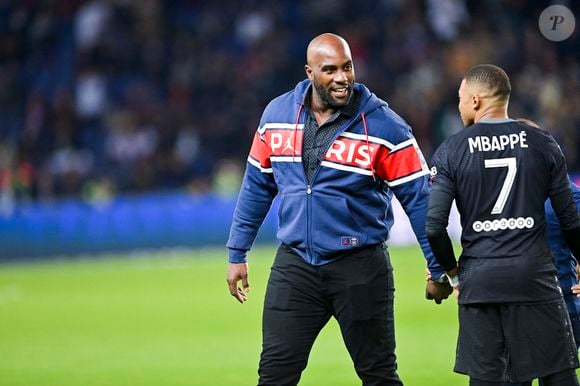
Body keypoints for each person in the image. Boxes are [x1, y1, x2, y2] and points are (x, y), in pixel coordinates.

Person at [226, 33, 451, 386]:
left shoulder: (385, 126)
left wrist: (438, 267)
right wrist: (237, 252)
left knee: (378, 376)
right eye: (329, 70)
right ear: (309, 72)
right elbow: (257, 185)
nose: (342, 77)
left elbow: (420, 199)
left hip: (360, 267)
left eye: (347, 67)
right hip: (296, 265)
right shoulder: (276, 115)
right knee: (273, 376)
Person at [425, 64, 580, 386]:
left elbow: (435, 227)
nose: (459, 105)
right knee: (558, 377)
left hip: (480, 283)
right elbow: (570, 218)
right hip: (536, 280)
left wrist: (454, 275)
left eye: (461, 98)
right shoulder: (542, 143)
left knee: (489, 380)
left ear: (477, 100)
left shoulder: (452, 150)